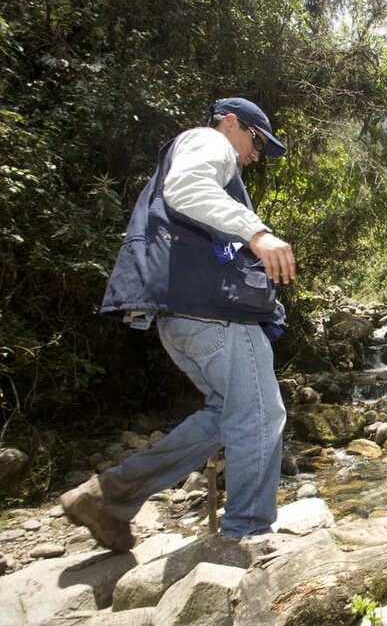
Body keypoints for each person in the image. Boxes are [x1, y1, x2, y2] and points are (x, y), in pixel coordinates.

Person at [60, 97, 295, 551]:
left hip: (183, 319)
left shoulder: (205, 148)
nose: (256, 154)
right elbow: (186, 189)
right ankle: (246, 538)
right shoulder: (209, 141)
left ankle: (109, 496)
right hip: (217, 317)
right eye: (257, 141)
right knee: (263, 416)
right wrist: (258, 233)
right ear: (231, 123)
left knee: (225, 417)